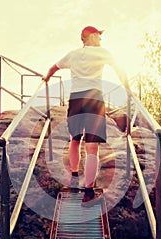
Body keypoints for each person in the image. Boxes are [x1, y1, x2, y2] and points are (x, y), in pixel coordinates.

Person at [42, 25, 131, 206]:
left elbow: (53, 68)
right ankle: (88, 191)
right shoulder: (102, 53)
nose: (101, 39)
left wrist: (46, 77)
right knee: (92, 148)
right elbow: (120, 71)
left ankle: (75, 178)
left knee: (74, 140)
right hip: (94, 100)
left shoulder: (72, 54)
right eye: (98, 36)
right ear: (90, 37)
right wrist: (128, 89)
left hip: (76, 100)